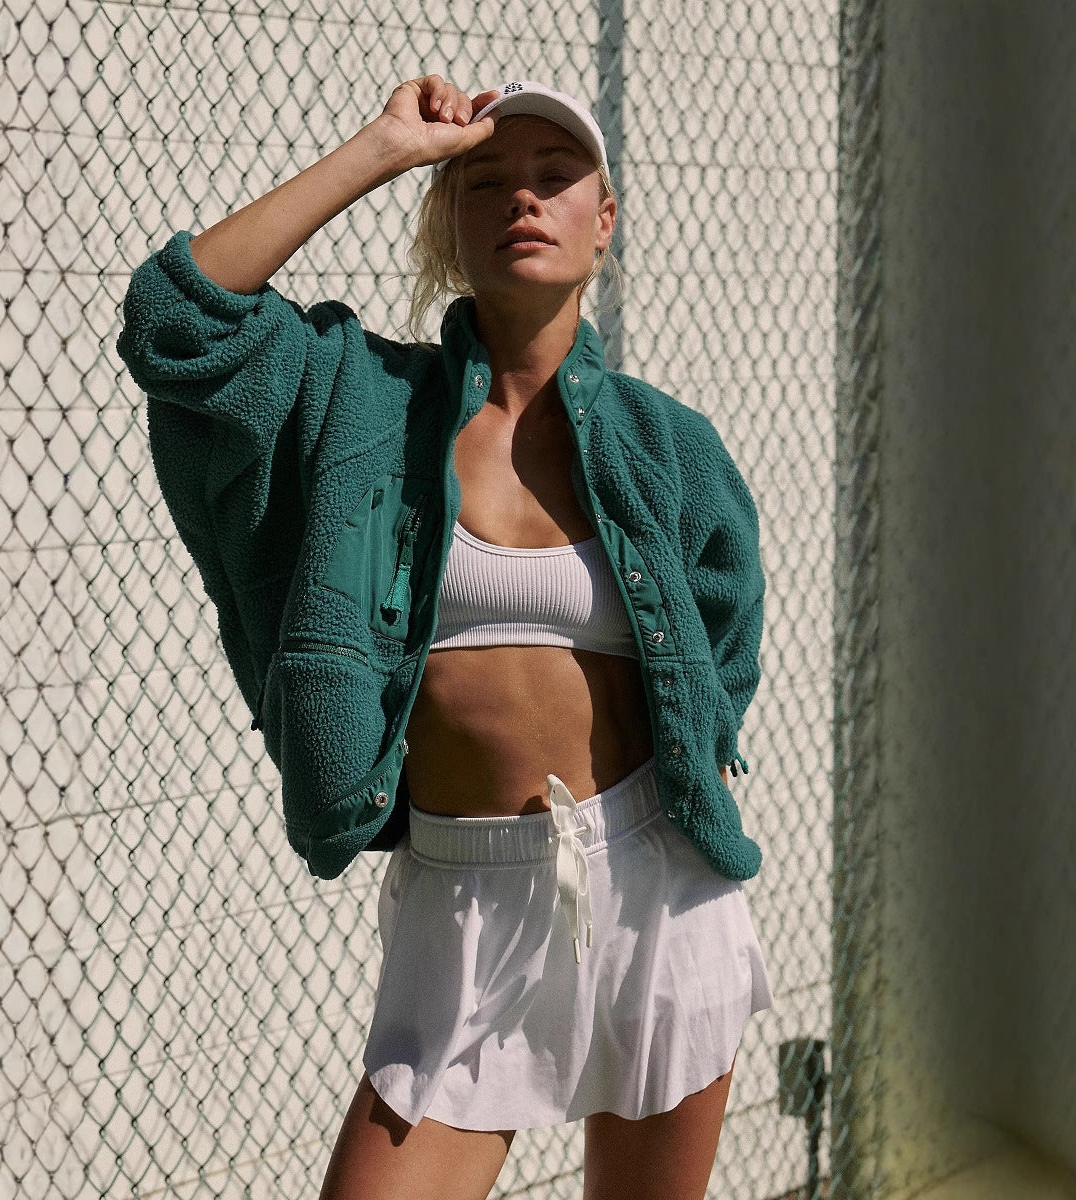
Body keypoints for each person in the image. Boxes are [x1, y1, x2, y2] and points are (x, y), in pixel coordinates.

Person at [118, 74, 774, 1200]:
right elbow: (178, 321)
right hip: (466, 904)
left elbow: (726, 627)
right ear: (446, 221)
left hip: (656, 885)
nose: (524, 198)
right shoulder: (366, 403)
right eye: (485, 182)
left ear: (604, 221)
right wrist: (380, 148)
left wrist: (699, 759)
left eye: (556, 178)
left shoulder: (668, 444)